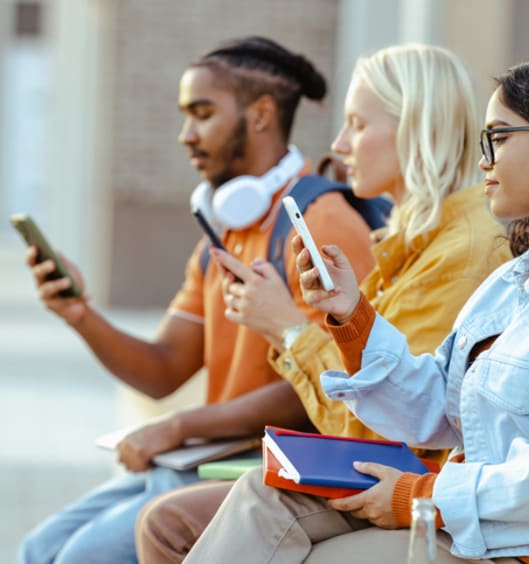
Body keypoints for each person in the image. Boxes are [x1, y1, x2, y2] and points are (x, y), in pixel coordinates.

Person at [181, 53, 529, 563]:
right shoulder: (519, 278)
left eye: (499, 138)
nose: (484, 158)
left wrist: (421, 494)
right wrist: (351, 317)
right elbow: (439, 405)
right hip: (474, 528)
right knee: (262, 493)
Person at [135, 43, 512, 563]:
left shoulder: (460, 251)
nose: (339, 145)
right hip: (380, 472)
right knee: (170, 518)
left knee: (178, 520)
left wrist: (289, 330)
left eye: (357, 125)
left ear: (413, 128)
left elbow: (388, 427)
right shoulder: (409, 242)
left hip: (413, 485)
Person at [17, 36, 377, 564]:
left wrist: (180, 425)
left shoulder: (320, 222)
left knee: (78, 559)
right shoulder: (222, 233)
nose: (186, 135)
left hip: (266, 469)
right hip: (200, 459)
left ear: (260, 115)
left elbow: (327, 385)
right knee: (38, 548)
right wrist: (81, 316)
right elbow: (165, 369)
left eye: (202, 114)